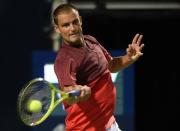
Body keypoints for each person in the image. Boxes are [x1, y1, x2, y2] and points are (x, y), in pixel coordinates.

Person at [53, 3, 144, 131]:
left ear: (80, 20)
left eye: (75, 22)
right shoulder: (64, 60)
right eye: (66, 25)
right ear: (57, 29)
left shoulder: (91, 40)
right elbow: (69, 93)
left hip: (108, 123)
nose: (72, 28)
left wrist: (129, 57)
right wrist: (79, 92)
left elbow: (111, 65)